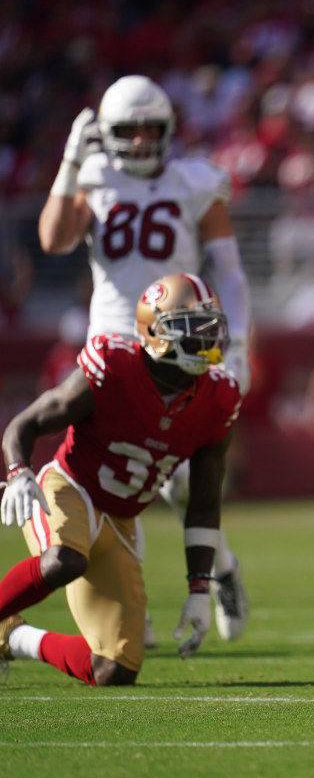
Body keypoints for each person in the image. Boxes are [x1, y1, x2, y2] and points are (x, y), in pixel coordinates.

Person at [36, 75, 251, 643]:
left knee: (177, 481)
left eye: (148, 129)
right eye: (125, 132)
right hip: (112, 342)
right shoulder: (94, 176)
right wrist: (67, 162)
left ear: (168, 130)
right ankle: (137, 602)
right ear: (106, 135)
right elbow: (54, 240)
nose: (136, 142)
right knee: (115, 478)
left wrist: (242, 345)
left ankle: (218, 571)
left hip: (175, 339)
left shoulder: (192, 182)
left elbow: (228, 268)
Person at [0, 274, 241, 685]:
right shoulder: (113, 366)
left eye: (210, 327)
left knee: (116, 669)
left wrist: (200, 588)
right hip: (70, 487)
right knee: (65, 559)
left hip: (121, 522)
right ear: (156, 329)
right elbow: (27, 423)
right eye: (192, 328)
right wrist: (19, 472)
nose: (206, 339)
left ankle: (12, 635)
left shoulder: (218, 398)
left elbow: (202, 503)